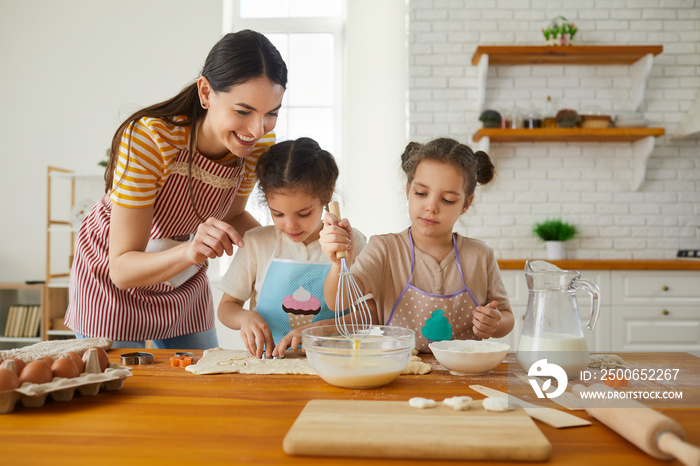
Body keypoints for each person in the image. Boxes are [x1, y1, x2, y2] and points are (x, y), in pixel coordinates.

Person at [64, 30, 288, 349]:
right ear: (206, 92)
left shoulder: (257, 143)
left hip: (182, 272)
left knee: (199, 382)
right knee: (121, 388)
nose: (256, 129)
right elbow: (123, 269)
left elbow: (234, 214)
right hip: (114, 275)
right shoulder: (150, 140)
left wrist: (290, 246)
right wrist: (191, 251)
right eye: (243, 111)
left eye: (271, 114)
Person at [319, 137, 514, 352]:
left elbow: (506, 317)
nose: (431, 206)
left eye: (447, 199)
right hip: (401, 372)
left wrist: (494, 323)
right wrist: (339, 264)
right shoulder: (384, 249)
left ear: (466, 204)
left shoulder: (480, 255)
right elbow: (338, 302)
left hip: (464, 375)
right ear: (408, 190)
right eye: (421, 193)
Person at [217, 137, 367, 359]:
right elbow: (226, 308)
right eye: (277, 214)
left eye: (303, 213)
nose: (290, 225)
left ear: (327, 194)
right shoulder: (257, 243)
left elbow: (366, 316)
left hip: (337, 363)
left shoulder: (353, 244)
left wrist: (318, 331)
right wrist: (245, 318)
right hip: (271, 364)